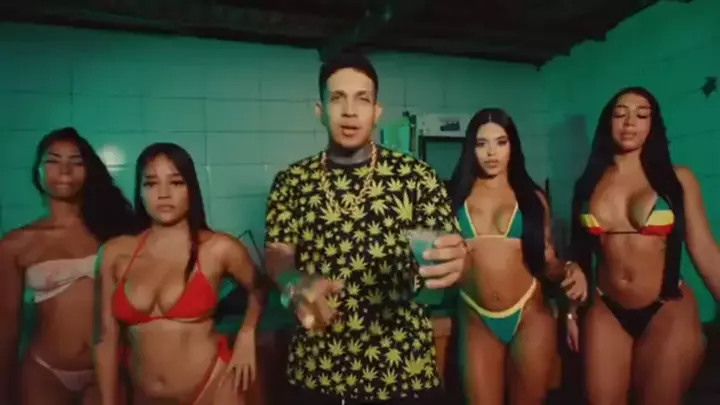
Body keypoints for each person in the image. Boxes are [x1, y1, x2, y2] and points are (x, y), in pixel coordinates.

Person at [263, 52, 468, 405]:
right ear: (320, 110)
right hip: (318, 369)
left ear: (377, 111)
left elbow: (453, 252)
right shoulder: (292, 181)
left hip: (403, 369)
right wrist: (293, 282)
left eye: (362, 99)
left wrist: (460, 262)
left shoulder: (417, 177)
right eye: (337, 98)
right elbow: (277, 251)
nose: (349, 111)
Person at [570, 86, 720, 405]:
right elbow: (578, 259)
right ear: (607, 123)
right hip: (606, 308)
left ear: (653, 125)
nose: (629, 122)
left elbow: (705, 251)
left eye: (641, 115)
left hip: (666, 306)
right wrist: (569, 314)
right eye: (620, 114)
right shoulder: (588, 184)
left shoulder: (677, 179)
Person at [94, 143, 265, 405]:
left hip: (214, 387)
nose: (164, 194)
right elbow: (106, 338)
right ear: (140, 192)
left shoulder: (218, 248)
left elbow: (259, 287)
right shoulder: (114, 253)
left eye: (175, 182)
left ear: (191, 189)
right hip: (144, 396)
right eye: (151, 183)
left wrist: (246, 334)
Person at [447, 108, 587, 405]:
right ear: (471, 148)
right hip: (475, 316)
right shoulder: (454, 198)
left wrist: (570, 268)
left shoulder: (531, 198)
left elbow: (547, 262)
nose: (491, 153)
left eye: (501, 142)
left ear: (513, 146)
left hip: (530, 316)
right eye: (481, 143)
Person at [0, 127, 138, 405]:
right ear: (37, 171)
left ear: (89, 171)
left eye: (76, 162)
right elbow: (7, 326)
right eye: (53, 160)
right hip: (45, 372)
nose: (65, 170)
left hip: (107, 370)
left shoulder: (114, 229)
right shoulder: (16, 244)